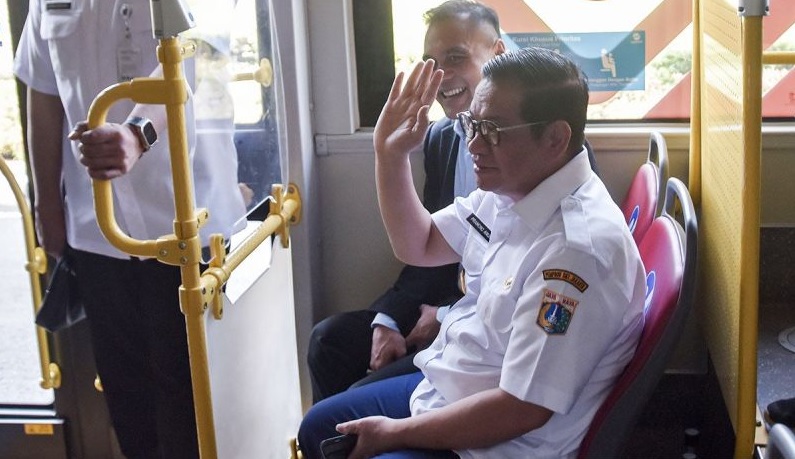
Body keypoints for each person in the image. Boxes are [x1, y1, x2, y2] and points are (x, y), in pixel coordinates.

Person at [298, 47, 646, 458]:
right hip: (453, 385)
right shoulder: (512, 190)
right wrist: (389, 155)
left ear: (555, 138)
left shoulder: (576, 253)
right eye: (472, 124)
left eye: (493, 130)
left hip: (496, 443)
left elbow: (521, 408)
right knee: (318, 427)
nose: (473, 145)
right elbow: (419, 243)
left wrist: (395, 433)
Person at [14, 1, 246, 457]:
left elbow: (186, 57)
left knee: (193, 403)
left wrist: (137, 134)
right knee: (127, 398)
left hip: (189, 228)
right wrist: (46, 205)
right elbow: (43, 90)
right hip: (98, 231)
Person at [307, 0, 505, 402]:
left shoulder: (534, 147)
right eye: (431, 63)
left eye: (456, 58)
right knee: (328, 341)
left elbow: (520, 266)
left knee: (353, 402)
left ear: (497, 54)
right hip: (443, 301)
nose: (441, 76)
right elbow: (428, 244)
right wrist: (390, 319)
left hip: (488, 325)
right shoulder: (442, 138)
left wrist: (446, 315)